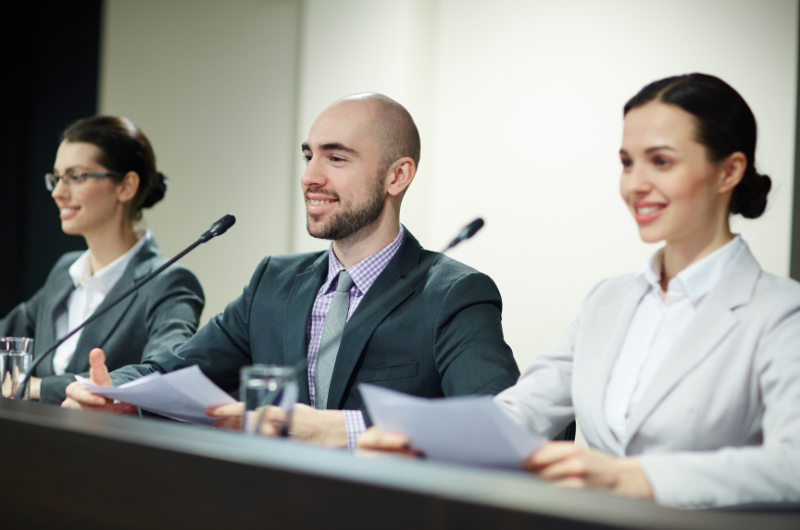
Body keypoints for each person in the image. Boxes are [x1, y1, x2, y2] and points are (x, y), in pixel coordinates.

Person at [358, 74, 800, 508]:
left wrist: (637, 478)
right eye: (627, 163)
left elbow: (791, 465)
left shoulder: (782, 313)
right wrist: (421, 439)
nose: (635, 184)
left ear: (729, 172)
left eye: (661, 161)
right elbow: (521, 412)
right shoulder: (608, 301)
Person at [62, 93, 520, 449]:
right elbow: (177, 369)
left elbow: (500, 423)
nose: (309, 177)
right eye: (308, 156)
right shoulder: (273, 283)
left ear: (396, 176)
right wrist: (114, 390)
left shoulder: (454, 294)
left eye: (336, 158)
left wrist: (344, 429)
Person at [0, 116, 205, 404]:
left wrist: (37, 387)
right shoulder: (65, 271)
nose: (59, 192)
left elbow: (162, 374)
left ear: (126, 186)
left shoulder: (170, 282)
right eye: (57, 177)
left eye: (77, 176)